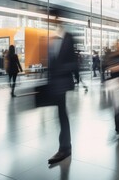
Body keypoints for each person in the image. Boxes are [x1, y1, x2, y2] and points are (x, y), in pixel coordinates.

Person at [47, 20, 78, 165]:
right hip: (55, 83)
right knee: (60, 114)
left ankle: (65, 148)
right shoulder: (52, 39)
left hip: (62, 83)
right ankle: (65, 147)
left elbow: (74, 62)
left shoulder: (68, 38)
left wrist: (61, 69)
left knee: (62, 114)